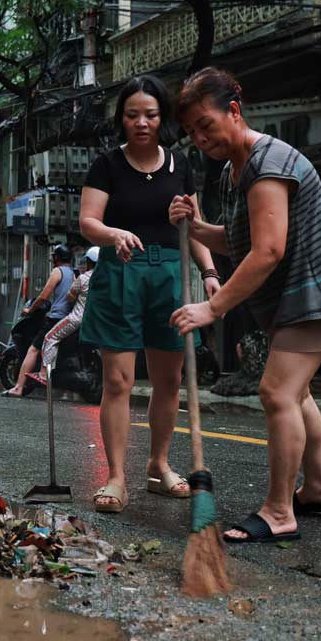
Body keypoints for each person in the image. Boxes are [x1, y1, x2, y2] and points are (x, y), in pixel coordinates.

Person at [170, 67, 321, 544]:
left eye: (206, 125)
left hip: (318, 291)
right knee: (296, 395)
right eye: (192, 132)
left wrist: (211, 309)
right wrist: (196, 228)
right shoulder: (232, 171)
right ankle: (318, 488)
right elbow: (242, 238)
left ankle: (280, 511)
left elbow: (268, 250)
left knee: (277, 393)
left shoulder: (267, 162)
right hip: (296, 296)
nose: (200, 138)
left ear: (233, 111)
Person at [78, 75, 221, 514]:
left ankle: (159, 467)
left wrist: (210, 271)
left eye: (151, 115)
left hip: (170, 277)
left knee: (169, 381)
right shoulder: (107, 165)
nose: (142, 122)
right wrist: (113, 233)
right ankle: (117, 477)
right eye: (133, 114)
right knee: (118, 381)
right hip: (120, 275)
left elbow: (192, 227)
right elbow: (88, 222)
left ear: (163, 119)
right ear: (122, 119)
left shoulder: (180, 165)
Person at [1, 244, 76, 397]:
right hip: (69, 318)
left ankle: (19, 387)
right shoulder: (74, 274)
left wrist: (30, 310)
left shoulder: (57, 271)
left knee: (34, 349)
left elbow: (43, 296)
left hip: (56, 318)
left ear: (56, 258)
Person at [28, 246, 100, 386]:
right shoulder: (107, 278)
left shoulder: (83, 278)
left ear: (89, 262)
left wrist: (76, 284)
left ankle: (43, 374)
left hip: (77, 319)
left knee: (49, 338)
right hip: (97, 320)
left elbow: (70, 297)